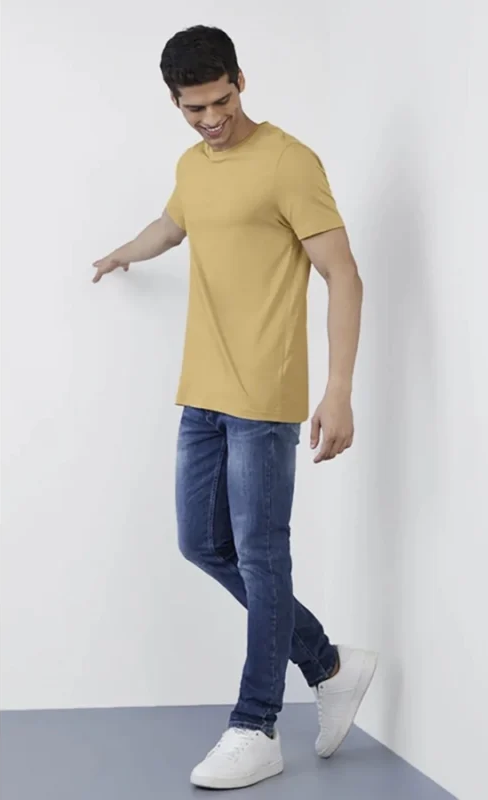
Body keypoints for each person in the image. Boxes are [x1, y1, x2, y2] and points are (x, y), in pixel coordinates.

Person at [92, 25, 377, 790]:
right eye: (195, 108)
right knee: (202, 544)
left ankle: (257, 725)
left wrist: (338, 390)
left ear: (241, 81)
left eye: (221, 101)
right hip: (202, 394)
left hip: (263, 396)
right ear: (175, 102)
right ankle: (328, 663)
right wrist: (125, 251)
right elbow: (175, 223)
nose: (212, 119)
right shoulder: (192, 165)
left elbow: (343, 274)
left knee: (261, 553)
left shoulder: (288, 161)